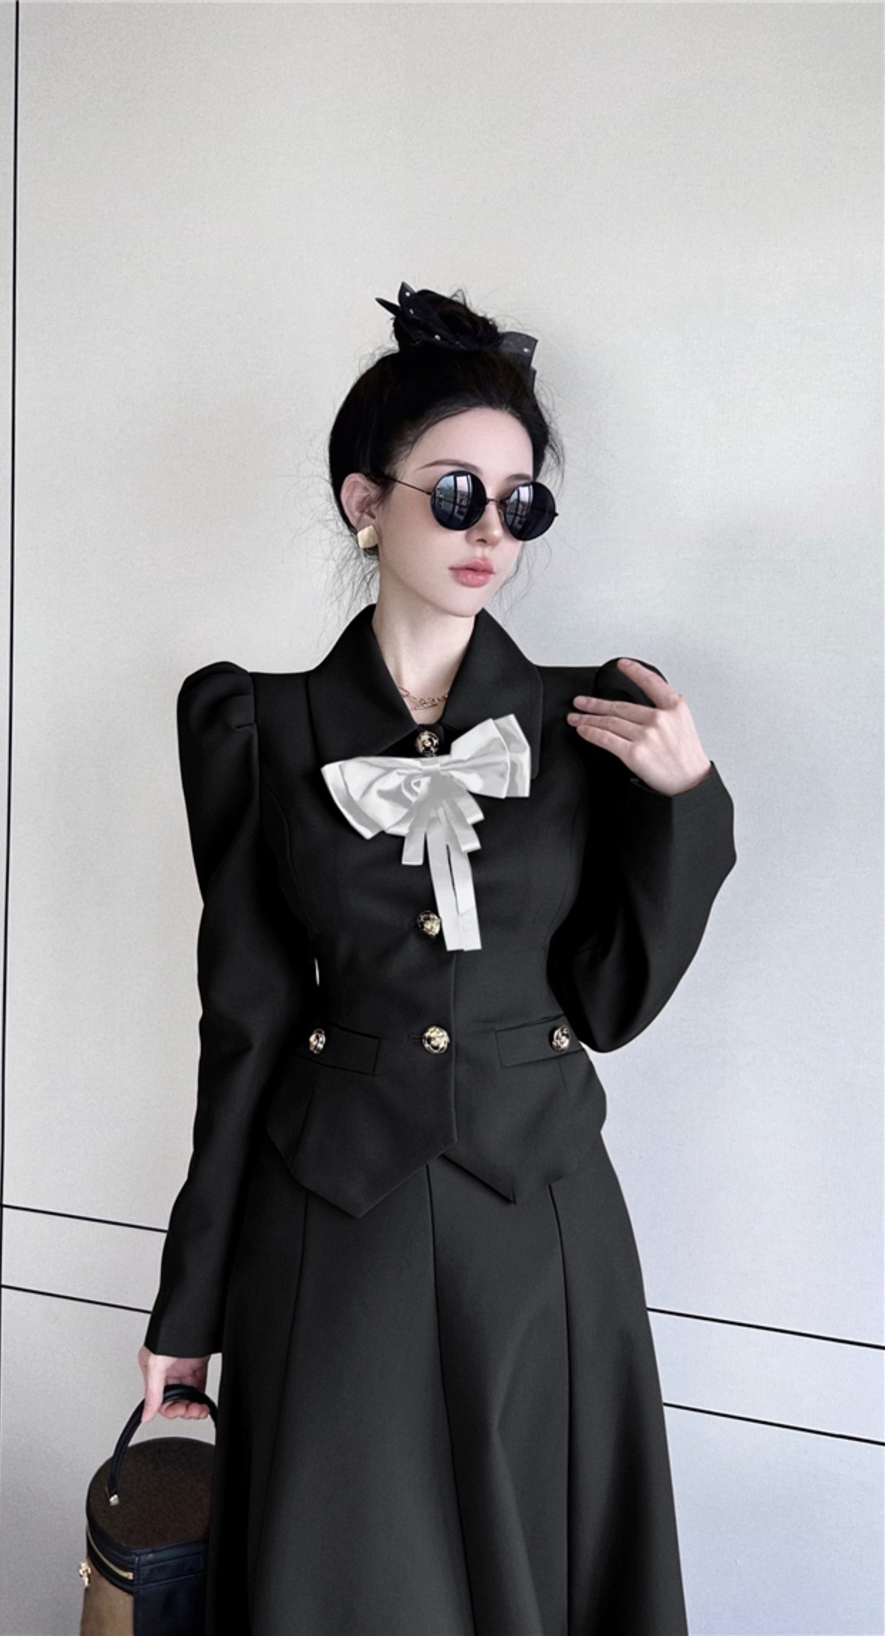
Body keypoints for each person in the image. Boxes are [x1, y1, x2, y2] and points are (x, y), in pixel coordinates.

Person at [136, 281, 737, 1635]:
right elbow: (243, 1022)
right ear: (366, 501)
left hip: (541, 1230)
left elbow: (611, 1001)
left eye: (522, 505)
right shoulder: (254, 728)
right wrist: (188, 1307)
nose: (489, 533)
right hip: (329, 1229)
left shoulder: (592, 726)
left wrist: (687, 807)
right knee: (350, 1580)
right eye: (456, 493)